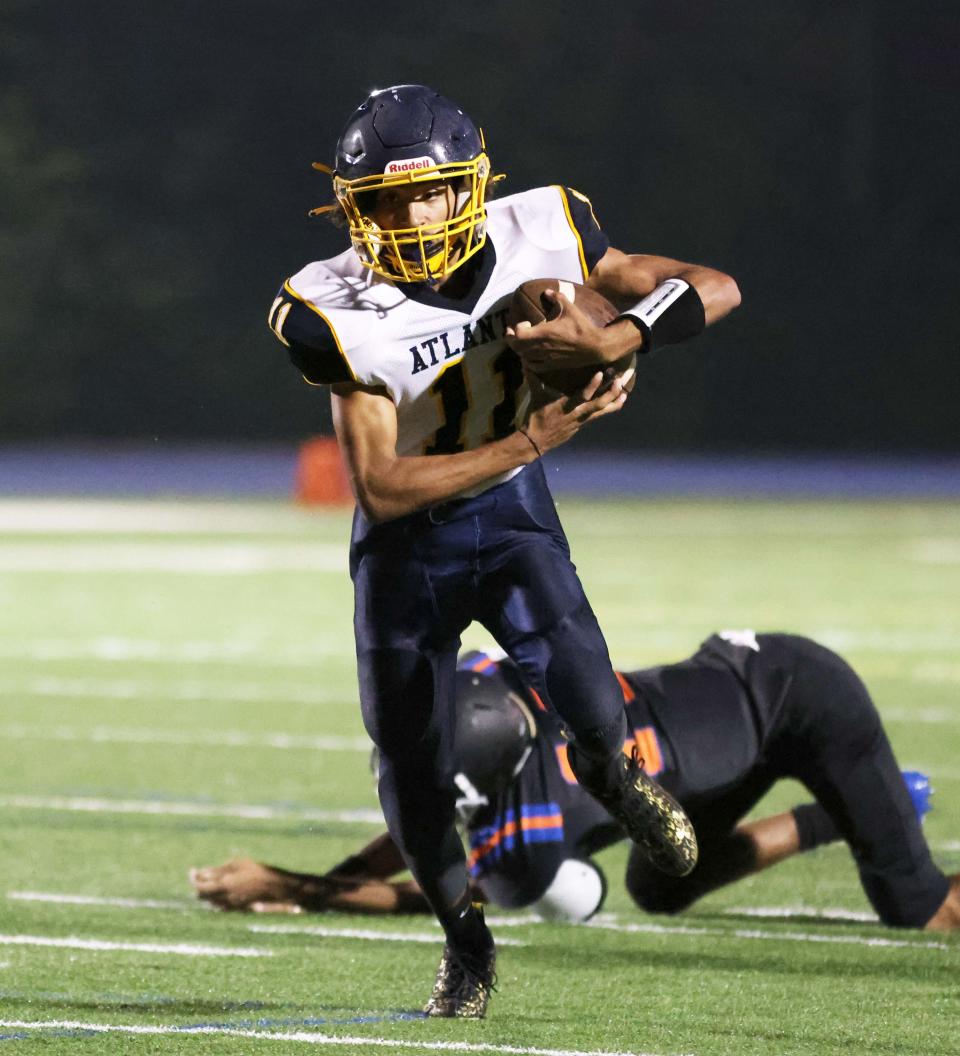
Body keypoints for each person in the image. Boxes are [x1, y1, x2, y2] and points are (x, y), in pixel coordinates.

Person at [265, 83, 741, 1017]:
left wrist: (623, 334)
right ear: (351, 207)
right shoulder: (328, 308)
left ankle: (617, 780)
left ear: (471, 186)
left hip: (515, 527)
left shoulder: (547, 230)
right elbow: (381, 487)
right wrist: (530, 443)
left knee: (598, 718)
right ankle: (466, 944)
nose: (408, 216)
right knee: (408, 763)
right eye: (386, 200)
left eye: (429, 191)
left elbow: (716, 286)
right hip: (410, 550)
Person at [192, 631, 960, 932]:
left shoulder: (536, 821)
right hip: (721, 730)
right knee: (663, 885)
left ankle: (865, 804)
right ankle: (842, 816)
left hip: (800, 700)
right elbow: (434, 815)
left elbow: (442, 888)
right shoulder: (498, 696)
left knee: (920, 909)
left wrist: (295, 886)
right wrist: (305, 883)